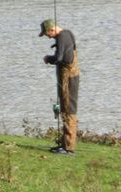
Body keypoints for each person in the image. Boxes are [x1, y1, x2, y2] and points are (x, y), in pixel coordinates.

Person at [40, 19, 79, 154]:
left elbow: (62, 58)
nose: (48, 37)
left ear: (51, 29)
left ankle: (69, 148)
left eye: (47, 34)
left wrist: (48, 59)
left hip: (68, 79)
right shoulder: (67, 33)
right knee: (66, 109)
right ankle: (64, 144)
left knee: (68, 110)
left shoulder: (61, 37)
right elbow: (66, 55)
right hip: (71, 78)